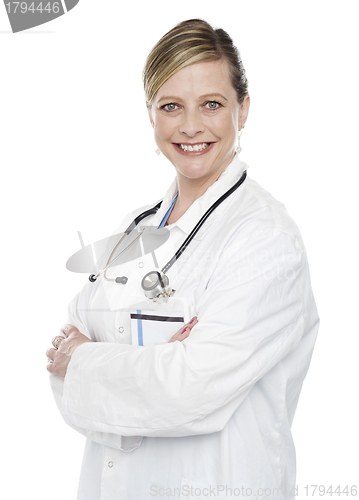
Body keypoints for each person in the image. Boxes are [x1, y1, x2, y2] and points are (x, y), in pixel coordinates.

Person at [46, 18, 319, 500]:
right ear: (151, 116)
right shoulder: (134, 227)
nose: (191, 126)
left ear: (244, 109)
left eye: (211, 104)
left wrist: (90, 360)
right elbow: (63, 363)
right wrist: (155, 359)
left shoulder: (266, 240)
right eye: (171, 106)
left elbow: (191, 393)